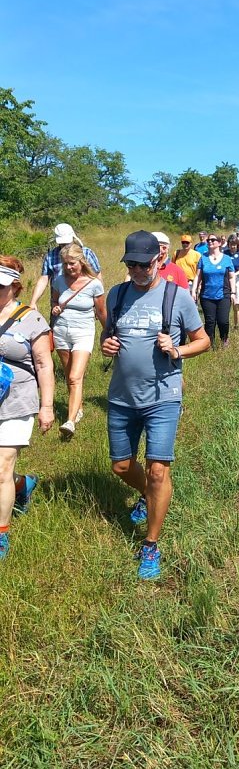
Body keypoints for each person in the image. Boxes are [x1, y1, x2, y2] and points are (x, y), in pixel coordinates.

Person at [100, 231, 210, 580]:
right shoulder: (116, 294)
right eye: (130, 264)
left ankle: (150, 543)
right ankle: (150, 494)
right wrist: (106, 345)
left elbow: (203, 340)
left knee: (159, 470)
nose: (135, 270)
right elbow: (108, 334)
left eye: (142, 264)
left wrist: (177, 350)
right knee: (120, 467)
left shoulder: (177, 297)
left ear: (158, 261)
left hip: (163, 396)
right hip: (121, 396)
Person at [0, 256, 54, 561]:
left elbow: (45, 364)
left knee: (1, 467)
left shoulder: (31, 319)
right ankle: (23, 485)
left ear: (15, 287)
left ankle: (1, 534)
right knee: (4, 473)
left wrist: (46, 406)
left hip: (17, 399)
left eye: (1, 286)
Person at [51, 244, 107, 436]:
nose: (68, 268)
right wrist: (54, 308)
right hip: (61, 331)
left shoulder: (93, 283)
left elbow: (101, 312)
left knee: (76, 376)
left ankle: (70, 421)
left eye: (72, 263)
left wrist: (108, 332)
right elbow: (54, 302)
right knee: (68, 375)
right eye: (65, 264)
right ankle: (79, 408)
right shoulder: (58, 281)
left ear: (81, 262)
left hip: (83, 332)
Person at [30, 223, 102, 309]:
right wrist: (33, 302)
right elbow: (43, 279)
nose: (64, 246)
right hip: (58, 304)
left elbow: (97, 276)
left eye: (67, 242)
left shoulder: (87, 253)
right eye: (62, 243)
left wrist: (98, 305)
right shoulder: (51, 256)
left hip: (84, 304)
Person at [191, 233, 235, 349]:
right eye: (209, 240)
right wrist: (193, 291)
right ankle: (209, 344)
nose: (210, 242)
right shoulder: (203, 258)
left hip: (223, 294)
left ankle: (224, 339)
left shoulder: (226, 259)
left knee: (223, 321)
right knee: (210, 322)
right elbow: (198, 276)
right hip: (206, 295)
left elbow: (231, 277)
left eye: (213, 240)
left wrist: (233, 293)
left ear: (219, 243)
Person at [224, 235, 239, 329]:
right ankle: (224, 325)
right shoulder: (225, 253)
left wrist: (234, 274)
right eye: (231, 244)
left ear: (237, 245)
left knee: (236, 305)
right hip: (226, 280)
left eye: (234, 245)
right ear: (228, 244)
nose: (233, 246)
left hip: (237, 280)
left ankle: (236, 325)